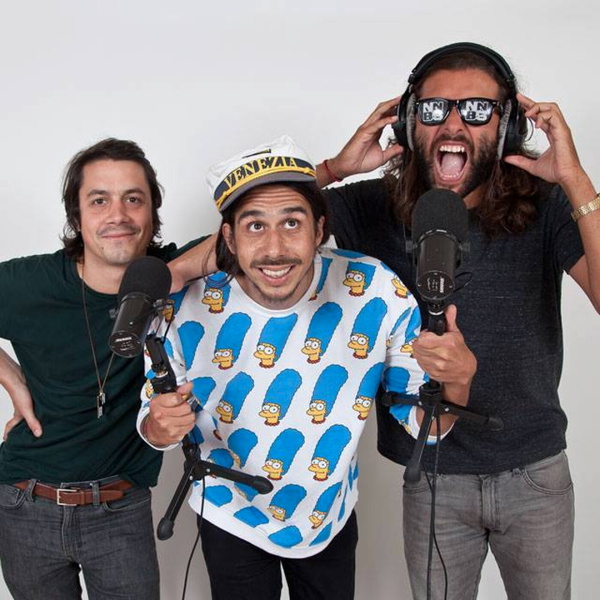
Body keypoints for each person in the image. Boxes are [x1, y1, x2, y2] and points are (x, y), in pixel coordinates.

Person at [315, 42, 600, 599]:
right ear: (407, 123)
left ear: (507, 125)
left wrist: (575, 180)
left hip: (534, 472)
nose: (452, 124)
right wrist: (335, 169)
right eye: (432, 109)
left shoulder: (547, 205)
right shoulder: (372, 205)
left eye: (476, 110)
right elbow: (252, 235)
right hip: (433, 472)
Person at [137, 135, 476, 599]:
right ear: (228, 238)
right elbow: (152, 423)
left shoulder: (375, 290)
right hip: (227, 509)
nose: (275, 248)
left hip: (327, 513)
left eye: (292, 223)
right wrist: (159, 426)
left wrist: (458, 381)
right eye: (255, 226)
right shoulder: (181, 308)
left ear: (319, 230)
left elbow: (427, 426)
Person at [0, 138, 213, 600]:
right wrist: (11, 378)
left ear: (152, 214)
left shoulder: (166, 275)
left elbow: (256, 222)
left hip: (121, 508)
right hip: (25, 502)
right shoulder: (28, 284)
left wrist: (334, 169)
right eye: (99, 200)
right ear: (76, 216)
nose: (118, 215)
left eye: (133, 199)